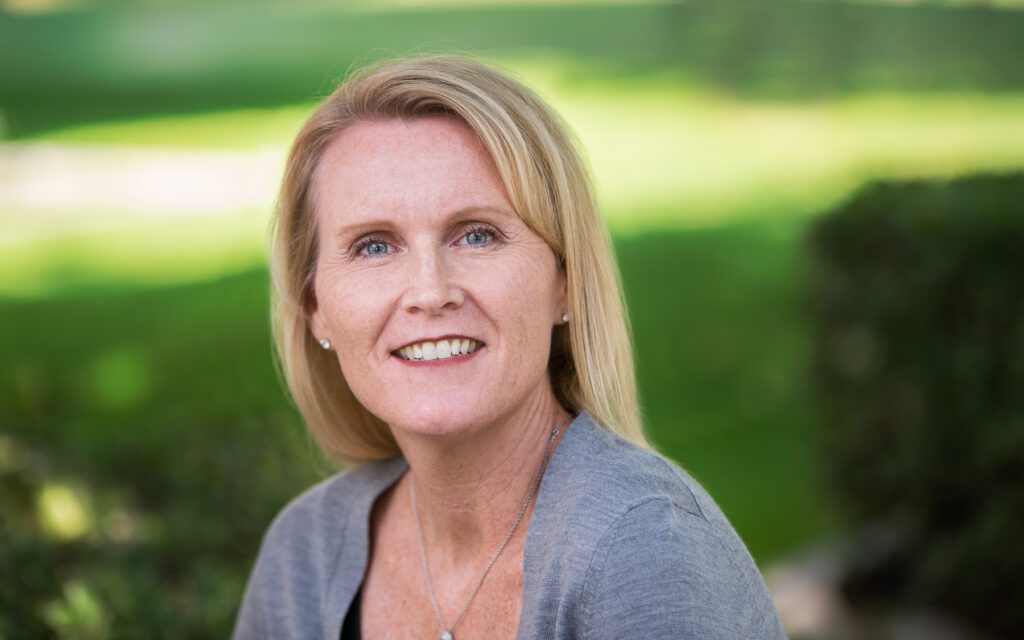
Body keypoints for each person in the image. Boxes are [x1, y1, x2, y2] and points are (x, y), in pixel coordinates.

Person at [233, 55, 786, 639]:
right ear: (315, 306)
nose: (430, 291)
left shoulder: (645, 554)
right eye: (374, 246)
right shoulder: (305, 556)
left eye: (477, 235)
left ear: (564, 282)